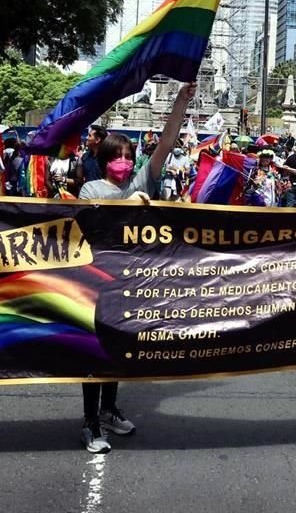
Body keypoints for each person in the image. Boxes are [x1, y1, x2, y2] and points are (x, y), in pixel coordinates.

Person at [77, 82, 197, 454]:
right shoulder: (91, 191)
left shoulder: (144, 179)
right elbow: (90, 229)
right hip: (97, 283)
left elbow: (165, 142)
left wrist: (180, 101)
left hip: (132, 281)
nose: (124, 163)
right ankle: (90, 422)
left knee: (117, 353)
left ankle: (110, 409)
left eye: (129, 156)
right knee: (93, 356)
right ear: (104, 161)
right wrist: (128, 203)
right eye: (117, 156)